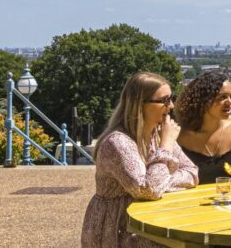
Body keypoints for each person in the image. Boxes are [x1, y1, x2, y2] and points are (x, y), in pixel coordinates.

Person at [81, 72, 198, 247]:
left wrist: (161, 182)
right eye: (164, 100)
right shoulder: (118, 142)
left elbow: (192, 173)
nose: (171, 106)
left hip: (149, 221)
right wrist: (165, 147)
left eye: (171, 98)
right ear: (139, 104)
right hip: (119, 228)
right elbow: (148, 190)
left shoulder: (156, 136)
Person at [175, 71, 231, 185]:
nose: (230, 102)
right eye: (222, 97)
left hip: (223, 199)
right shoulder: (178, 135)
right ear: (204, 101)